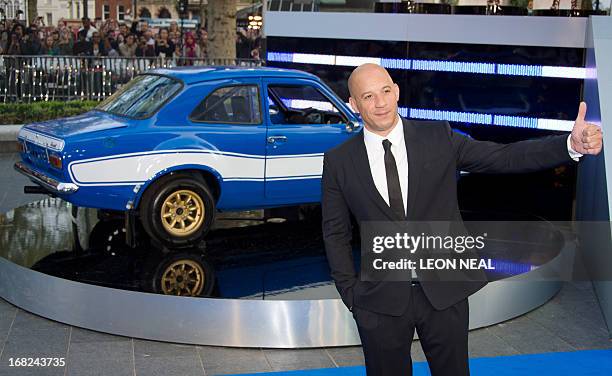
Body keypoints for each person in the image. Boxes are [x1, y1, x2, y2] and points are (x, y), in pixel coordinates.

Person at [321, 63, 603, 376]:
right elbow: (335, 232)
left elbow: (503, 157)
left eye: (386, 91)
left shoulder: (438, 136)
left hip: (444, 293)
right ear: (354, 105)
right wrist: (353, 296)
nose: (381, 102)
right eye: (369, 96)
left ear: (397, 91)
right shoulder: (339, 161)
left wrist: (568, 146)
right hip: (379, 301)